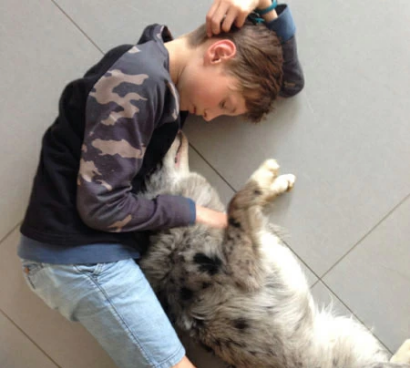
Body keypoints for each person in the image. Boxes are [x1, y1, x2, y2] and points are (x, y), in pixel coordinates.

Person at [18, 0, 304, 367]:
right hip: (77, 255)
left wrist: (266, 4)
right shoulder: (137, 80)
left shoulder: (164, 80)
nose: (212, 116)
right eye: (225, 103)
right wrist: (197, 213)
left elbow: (289, 82)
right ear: (218, 52)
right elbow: (102, 207)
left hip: (89, 253)